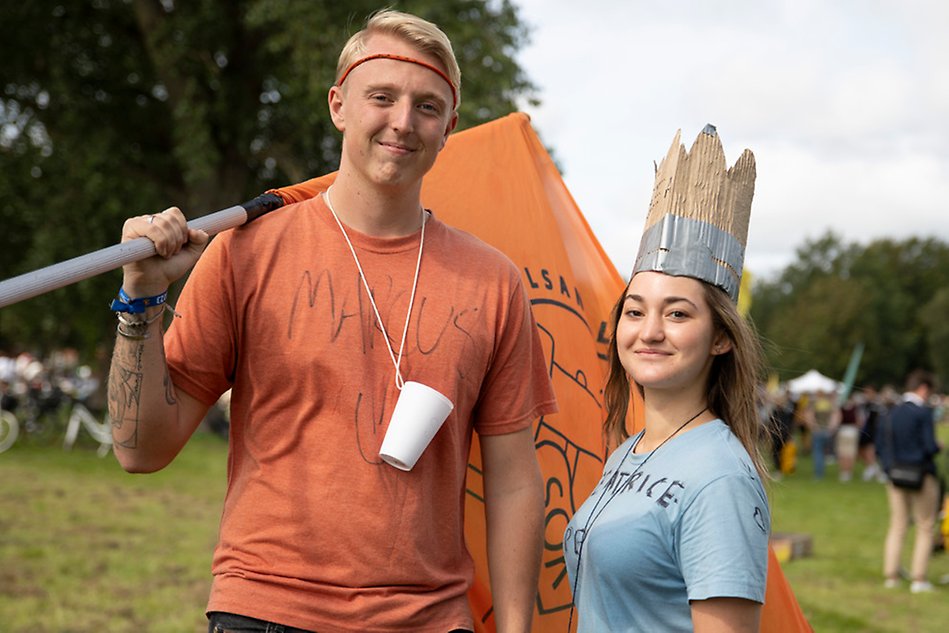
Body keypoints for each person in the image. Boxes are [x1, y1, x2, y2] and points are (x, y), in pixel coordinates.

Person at [106, 9, 556, 633]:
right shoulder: (246, 251)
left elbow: (512, 481)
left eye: (427, 106)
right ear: (339, 104)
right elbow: (139, 450)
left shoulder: (493, 282)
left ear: (449, 127)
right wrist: (141, 298)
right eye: (382, 97)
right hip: (263, 610)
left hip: (428, 619)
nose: (403, 121)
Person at [562, 126, 771, 632]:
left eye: (677, 315)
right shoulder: (628, 451)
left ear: (721, 337)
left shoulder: (720, 478)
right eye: (635, 312)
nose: (649, 332)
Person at [876, 370, 942, 593]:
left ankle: (891, 575)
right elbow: (929, 446)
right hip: (921, 475)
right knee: (925, 525)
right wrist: (938, 446)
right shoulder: (923, 413)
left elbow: (881, 445)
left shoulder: (891, 411)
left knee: (898, 525)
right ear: (923, 388)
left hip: (895, 475)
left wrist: (888, 468)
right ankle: (919, 578)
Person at [804, 390, 840, 479]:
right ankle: (821, 472)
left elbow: (809, 415)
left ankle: (818, 474)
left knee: (818, 452)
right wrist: (831, 428)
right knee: (825, 451)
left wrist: (813, 427)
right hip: (827, 431)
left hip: (818, 431)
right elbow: (836, 416)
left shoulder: (815, 403)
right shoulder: (830, 403)